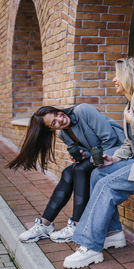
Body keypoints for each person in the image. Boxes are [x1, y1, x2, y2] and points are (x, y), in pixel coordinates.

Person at [63, 57, 134, 269]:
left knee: (105, 185)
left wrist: (131, 121)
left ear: (128, 76)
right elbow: (130, 143)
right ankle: (114, 232)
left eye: (117, 76)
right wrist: (115, 158)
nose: (113, 80)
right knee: (97, 173)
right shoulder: (130, 101)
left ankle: (90, 246)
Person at [8, 103, 125, 243]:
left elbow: (110, 139)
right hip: (101, 154)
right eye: (54, 122)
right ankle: (45, 224)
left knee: (80, 169)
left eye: (57, 114)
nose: (60, 119)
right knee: (68, 173)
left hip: (119, 150)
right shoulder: (64, 134)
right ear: (51, 129)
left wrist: (91, 156)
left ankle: (76, 224)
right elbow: (89, 150)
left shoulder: (83, 110)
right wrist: (82, 155)